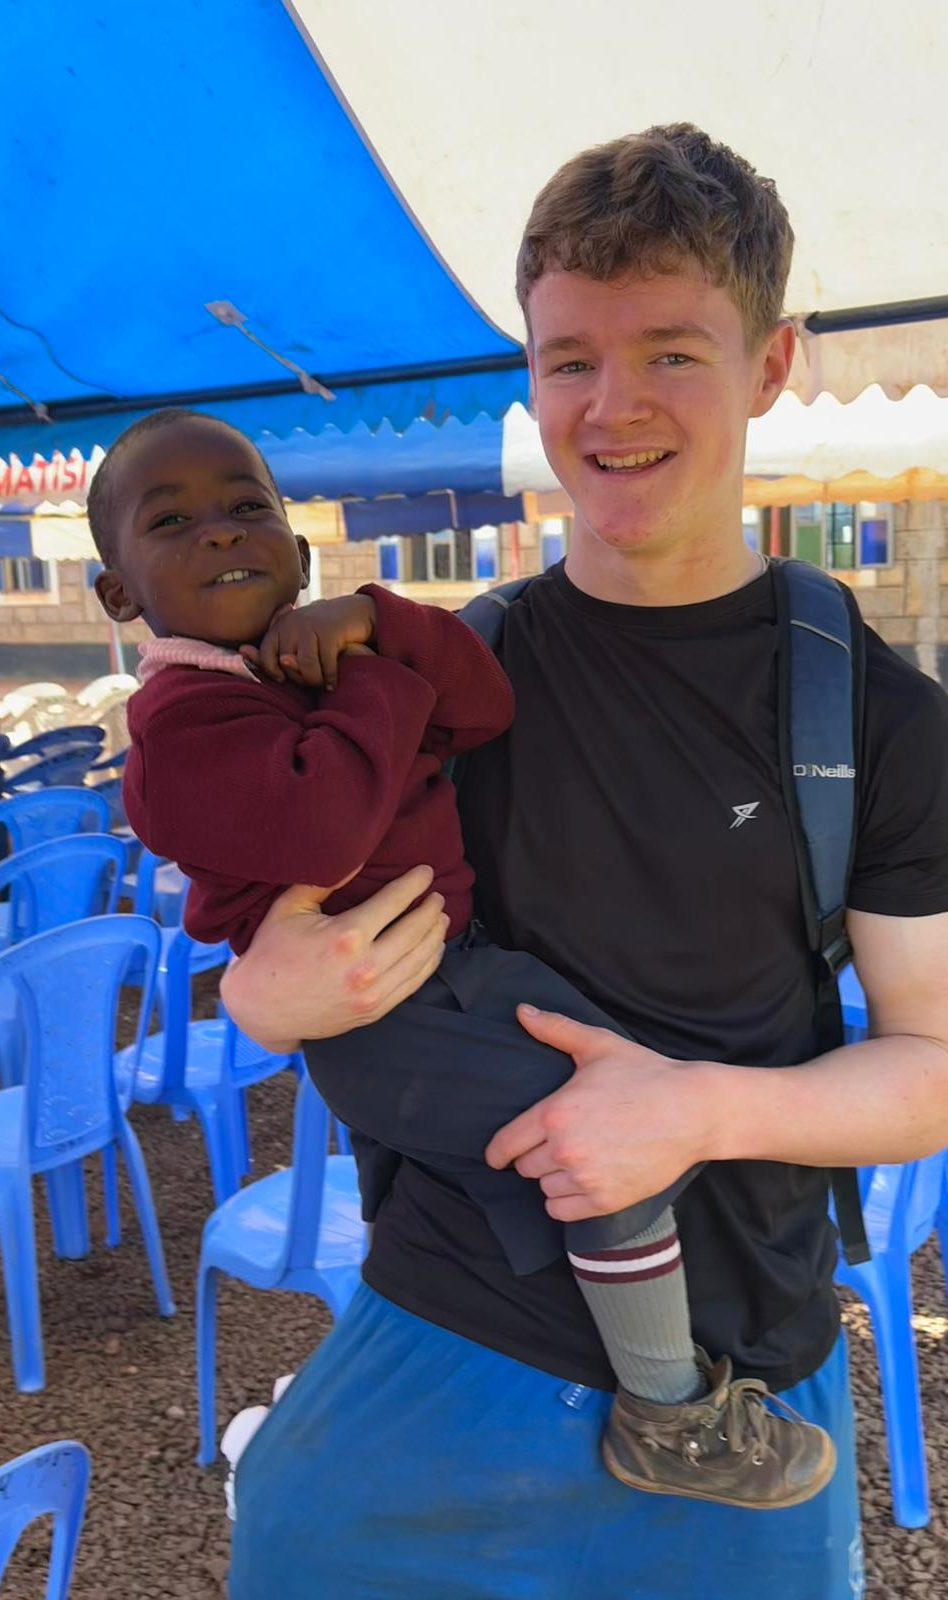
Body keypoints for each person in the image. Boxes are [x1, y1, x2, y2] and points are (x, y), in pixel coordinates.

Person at [221, 124, 948, 1599]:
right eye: (571, 357)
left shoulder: (872, 717)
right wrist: (261, 999)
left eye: (673, 353)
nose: (613, 405)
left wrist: (691, 1111)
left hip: (740, 1372)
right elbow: (282, 950)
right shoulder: (427, 684)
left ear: (772, 365)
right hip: (450, 1329)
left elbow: (936, 1072)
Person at [90, 406, 835, 1511]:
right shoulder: (180, 725)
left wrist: (378, 623)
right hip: (384, 1021)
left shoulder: (305, 664)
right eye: (172, 521)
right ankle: (668, 1414)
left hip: (462, 972)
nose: (218, 533)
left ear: (299, 554)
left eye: (247, 507)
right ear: (118, 593)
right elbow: (325, 827)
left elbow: (481, 705)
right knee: (601, 1139)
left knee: (623, 1091)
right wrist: (373, 678)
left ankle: (593, 1302)